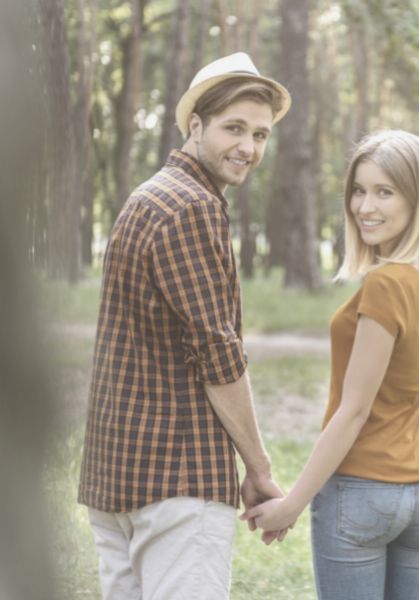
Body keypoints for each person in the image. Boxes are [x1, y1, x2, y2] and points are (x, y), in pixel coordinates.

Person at [78, 52, 291, 600]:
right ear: (195, 125)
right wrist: (259, 468)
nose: (249, 147)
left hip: (117, 474)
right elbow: (219, 357)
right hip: (175, 479)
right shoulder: (191, 206)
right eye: (235, 128)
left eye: (261, 134)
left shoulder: (149, 196)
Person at [243, 130, 419, 600]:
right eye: (359, 191)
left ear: (418, 198)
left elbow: (355, 410)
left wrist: (292, 505)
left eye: (384, 192)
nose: (365, 206)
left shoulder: (387, 285)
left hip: (365, 494)